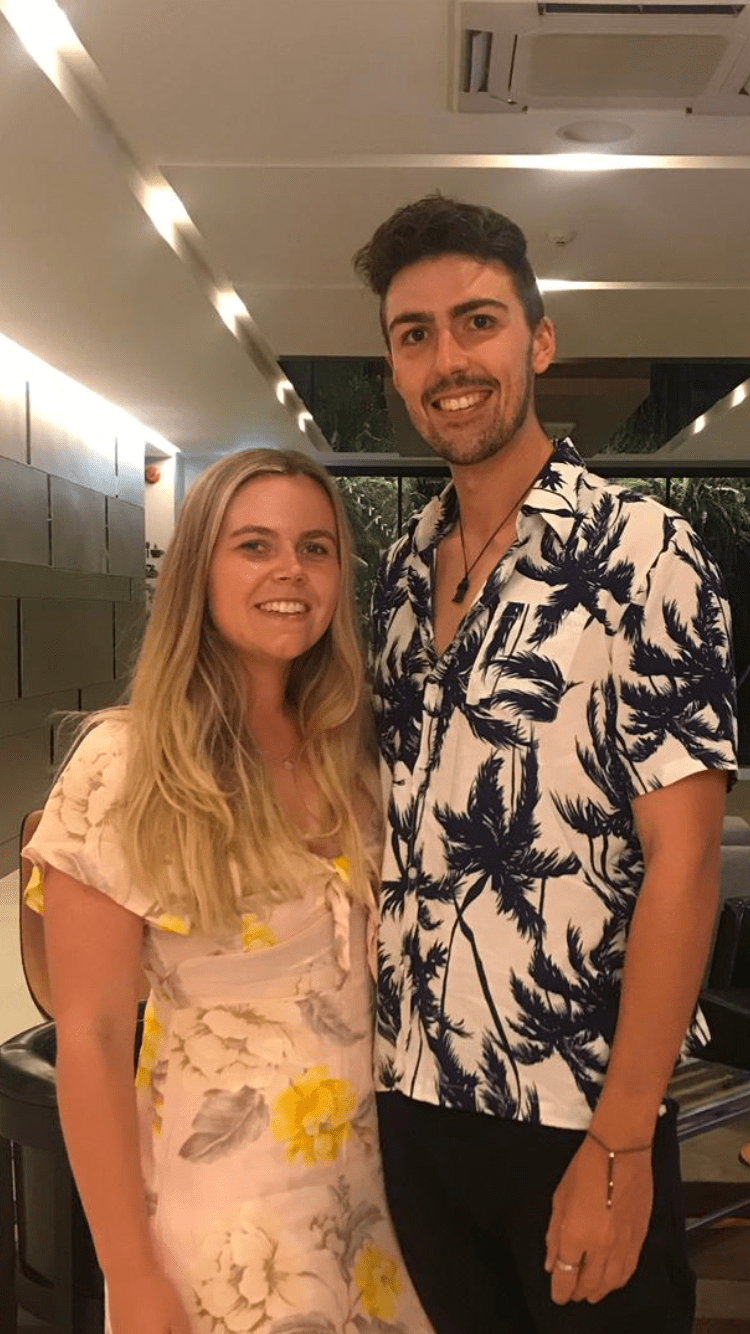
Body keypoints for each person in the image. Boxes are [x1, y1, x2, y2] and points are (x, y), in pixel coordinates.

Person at [353, 196, 738, 1334]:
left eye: (477, 321)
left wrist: (620, 1143)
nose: (448, 359)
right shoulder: (402, 571)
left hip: (575, 1109)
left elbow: (684, 862)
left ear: (540, 340)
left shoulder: (643, 554)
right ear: (395, 365)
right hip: (411, 1100)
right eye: (415, 334)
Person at [22, 449, 435, 1334]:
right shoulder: (125, 764)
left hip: (375, 1204)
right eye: (255, 545)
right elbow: (91, 1040)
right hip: (224, 1224)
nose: (291, 570)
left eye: (315, 548)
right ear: (198, 573)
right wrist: (130, 1273)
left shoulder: (350, 750)